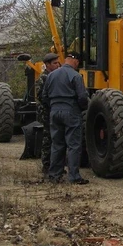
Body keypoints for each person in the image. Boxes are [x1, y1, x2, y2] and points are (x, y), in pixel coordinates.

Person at [42, 51, 90, 185]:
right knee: (73, 145)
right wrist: (82, 109)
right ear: (75, 61)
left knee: (57, 143)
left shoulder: (50, 75)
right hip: (71, 111)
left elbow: (44, 96)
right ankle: (74, 176)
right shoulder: (75, 76)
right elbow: (82, 97)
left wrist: (53, 106)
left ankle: (54, 175)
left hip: (54, 112)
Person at [35, 52, 61, 177]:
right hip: (46, 113)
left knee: (56, 138)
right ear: (47, 64)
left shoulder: (54, 76)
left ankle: (55, 165)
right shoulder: (43, 78)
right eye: (55, 63)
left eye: (58, 63)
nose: (57, 65)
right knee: (48, 139)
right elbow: (41, 97)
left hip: (54, 111)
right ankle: (46, 165)